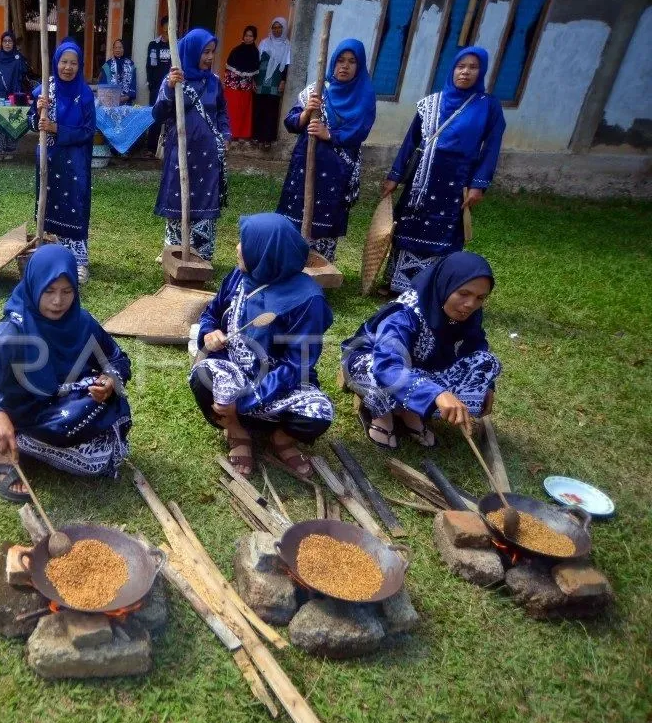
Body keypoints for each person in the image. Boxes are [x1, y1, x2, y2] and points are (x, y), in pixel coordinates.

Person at [0, 244, 132, 499]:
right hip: (23, 410)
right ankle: (7, 445)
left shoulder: (82, 322)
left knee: (107, 404)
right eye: (49, 290)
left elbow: (117, 358)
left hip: (61, 403)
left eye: (67, 291)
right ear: (34, 285)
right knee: (93, 456)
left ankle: (27, 445)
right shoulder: (10, 333)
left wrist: (109, 380)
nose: (58, 301)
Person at [190, 214, 334, 479]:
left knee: (318, 413)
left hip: (280, 383)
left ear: (267, 252)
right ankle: (237, 431)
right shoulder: (239, 276)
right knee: (203, 377)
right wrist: (210, 333)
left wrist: (247, 400)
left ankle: (281, 438)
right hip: (233, 370)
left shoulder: (308, 299)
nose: (237, 247)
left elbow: (297, 365)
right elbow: (211, 312)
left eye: (244, 243)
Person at [341, 252, 501, 450]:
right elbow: (387, 366)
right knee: (380, 370)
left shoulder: (468, 311)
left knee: (485, 362)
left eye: (480, 297)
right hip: (374, 362)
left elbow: (475, 345)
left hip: (421, 368)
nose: (470, 304)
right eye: (463, 293)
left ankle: (409, 410)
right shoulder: (404, 314)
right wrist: (437, 394)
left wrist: (487, 385)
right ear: (444, 284)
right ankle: (380, 412)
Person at [381, 47, 505, 293]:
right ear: (452, 70)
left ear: (481, 72)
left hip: (455, 181)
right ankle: (398, 283)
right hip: (421, 180)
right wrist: (395, 175)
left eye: (473, 67)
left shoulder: (488, 106)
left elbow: (491, 148)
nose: (465, 72)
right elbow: (411, 141)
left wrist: (479, 184)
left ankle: (429, 287)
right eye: (461, 66)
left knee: (443, 231)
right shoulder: (431, 103)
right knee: (408, 225)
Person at [276, 38, 376, 263]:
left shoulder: (365, 95)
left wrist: (329, 134)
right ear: (332, 62)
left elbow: (360, 131)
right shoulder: (318, 90)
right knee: (295, 213)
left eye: (351, 61)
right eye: (340, 60)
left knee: (325, 219)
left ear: (359, 65)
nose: (345, 66)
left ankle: (320, 266)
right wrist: (306, 113)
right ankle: (288, 262)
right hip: (304, 165)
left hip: (336, 170)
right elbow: (290, 122)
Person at [154, 27, 230, 263]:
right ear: (192, 51)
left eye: (212, 52)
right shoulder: (174, 80)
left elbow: (222, 112)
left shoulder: (214, 82)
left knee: (205, 198)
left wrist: (225, 135)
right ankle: (174, 250)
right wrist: (169, 88)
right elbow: (158, 114)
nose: (209, 57)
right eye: (205, 52)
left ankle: (202, 253)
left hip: (208, 155)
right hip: (180, 152)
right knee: (178, 197)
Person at [28, 38, 96, 281]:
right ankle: (51, 256)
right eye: (64, 62)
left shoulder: (85, 94)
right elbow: (31, 124)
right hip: (49, 160)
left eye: (73, 63)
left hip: (75, 162)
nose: (68, 67)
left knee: (75, 206)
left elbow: (89, 131)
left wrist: (57, 128)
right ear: (56, 63)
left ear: (80, 65)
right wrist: (38, 110)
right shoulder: (45, 90)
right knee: (49, 204)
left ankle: (78, 260)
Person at [0, 30, 30, 160]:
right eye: (5, 41)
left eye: (10, 41)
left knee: (11, 122)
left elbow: (25, 74)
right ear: (1, 43)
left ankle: (9, 151)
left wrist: (21, 59)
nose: (7, 44)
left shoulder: (17, 57)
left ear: (13, 43)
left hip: (13, 97)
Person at [252, 17, 291, 149]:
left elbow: (287, 65)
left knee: (271, 109)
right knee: (259, 108)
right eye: (274, 27)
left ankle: (267, 139)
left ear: (284, 29)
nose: (276, 30)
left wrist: (283, 81)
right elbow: (256, 62)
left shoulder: (287, 46)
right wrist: (253, 79)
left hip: (275, 81)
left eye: (279, 27)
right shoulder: (264, 43)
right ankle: (257, 137)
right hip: (261, 79)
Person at [223, 26, 259, 146]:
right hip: (233, 85)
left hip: (246, 86)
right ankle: (231, 133)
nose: (248, 38)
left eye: (251, 36)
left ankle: (241, 134)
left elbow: (255, 70)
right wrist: (229, 83)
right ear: (243, 36)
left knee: (243, 110)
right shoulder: (236, 51)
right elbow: (228, 69)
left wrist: (253, 81)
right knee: (232, 108)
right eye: (246, 35)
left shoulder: (255, 53)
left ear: (254, 38)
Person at [145, 17, 173, 154]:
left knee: (171, 116)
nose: (169, 29)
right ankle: (151, 148)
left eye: (172, 25)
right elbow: (149, 66)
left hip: (172, 86)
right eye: (167, 26)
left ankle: (168, 148)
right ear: (162, 27)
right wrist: (151, 84)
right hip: (156, 87)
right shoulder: (153, 45)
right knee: (155, 116)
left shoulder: (176, 45)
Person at [99, 38, 137, 105]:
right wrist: (113, 98)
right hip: (110, 103)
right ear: (113, 50)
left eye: (120, 48)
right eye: (115, 48)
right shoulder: (107, 65)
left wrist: (124, 98)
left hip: (126, 103)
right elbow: (103, 85)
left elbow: (133, 85)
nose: (117, 50)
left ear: (124, 49)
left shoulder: (131, 65)